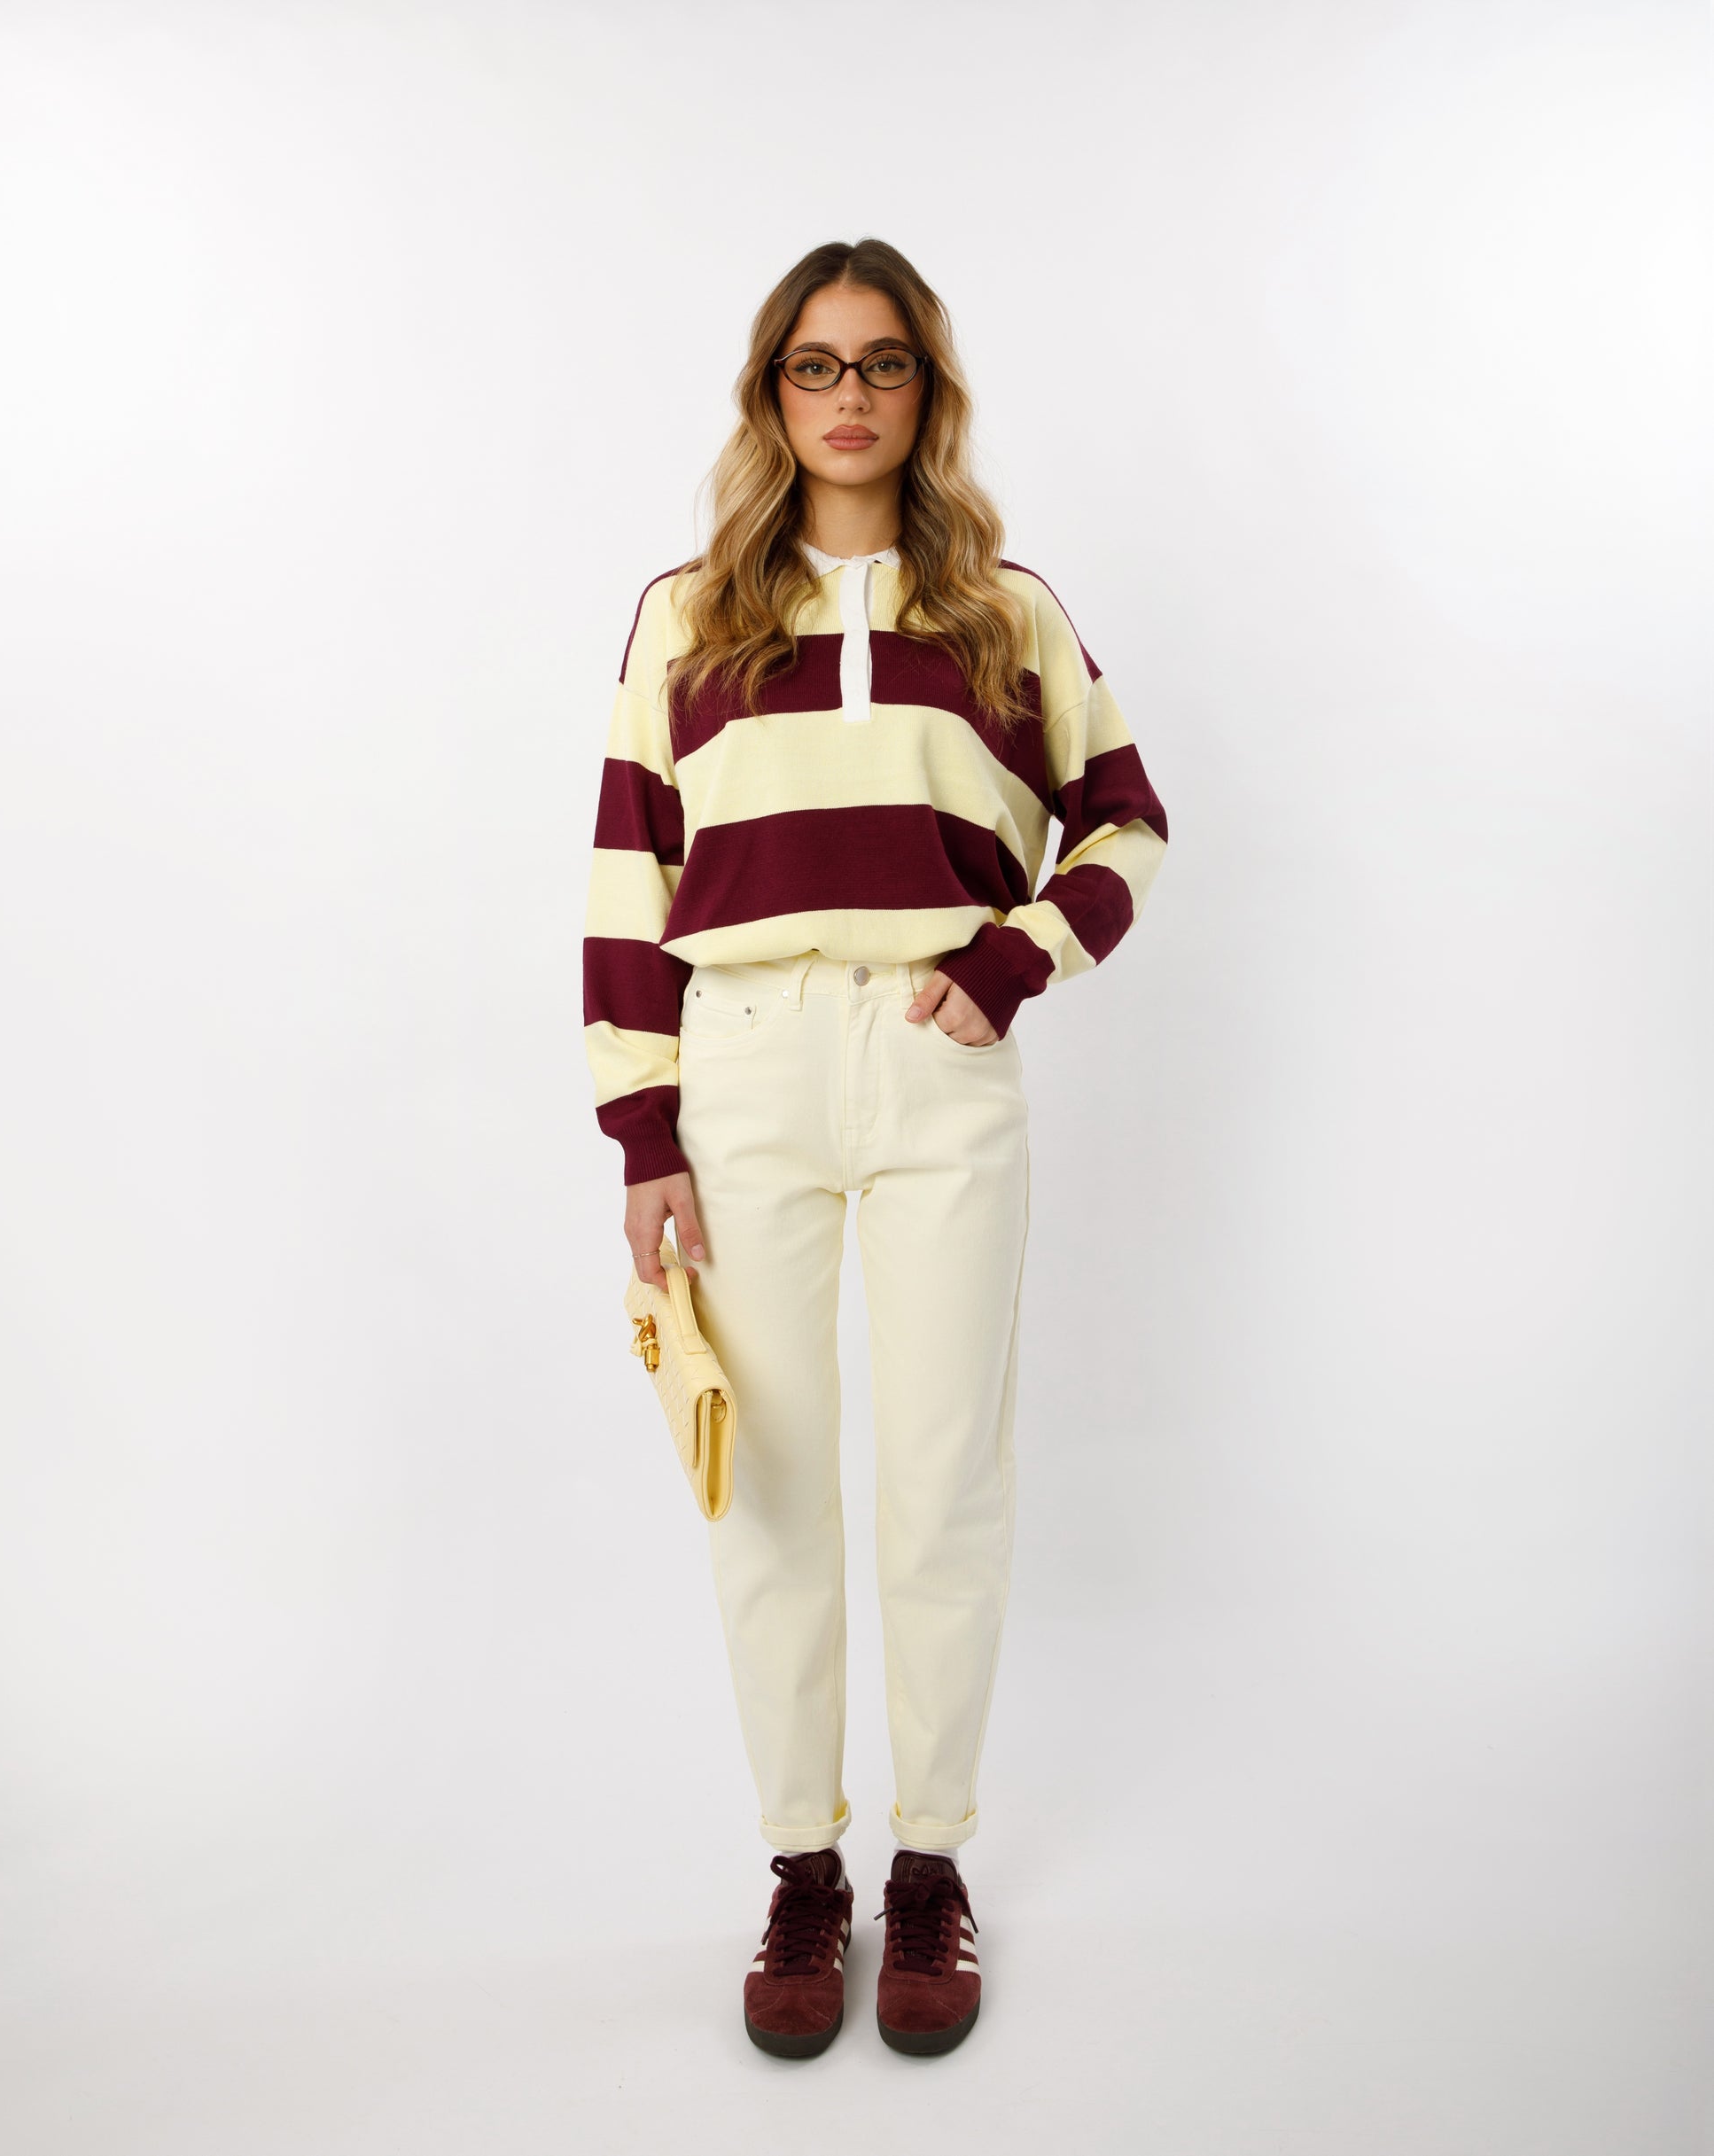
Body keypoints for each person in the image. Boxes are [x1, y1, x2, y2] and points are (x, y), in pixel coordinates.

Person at [581, 237, 1169, 2058]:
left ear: (927, 390)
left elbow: (1125, 821)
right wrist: (643, 1129)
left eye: (884, 362)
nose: (849, 395)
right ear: (772, 393)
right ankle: (799, 1866)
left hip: (935, 1060)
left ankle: (927, 1863)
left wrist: (1010, 961)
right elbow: (626, 871)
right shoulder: (688, 614)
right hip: (745, 1065)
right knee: (765, 1484)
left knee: (939, 1477)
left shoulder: (1002, 608)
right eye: (815, 364)